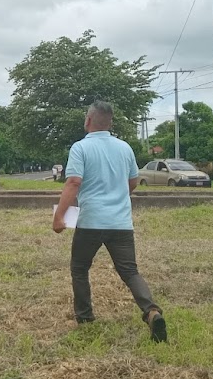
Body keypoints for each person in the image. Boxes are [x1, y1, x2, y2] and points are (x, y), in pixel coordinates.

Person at [52, 100, 167, 342]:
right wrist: (116, 197)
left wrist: (59, 216)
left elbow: (73, 182)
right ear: (110, 123)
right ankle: (151, 311)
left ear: (88, 120)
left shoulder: (80, 148)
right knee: (129, 271)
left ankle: (85, 316)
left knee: (80, 268)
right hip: (121, 223)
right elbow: (133, 182)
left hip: (91, 221)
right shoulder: (124, 148)